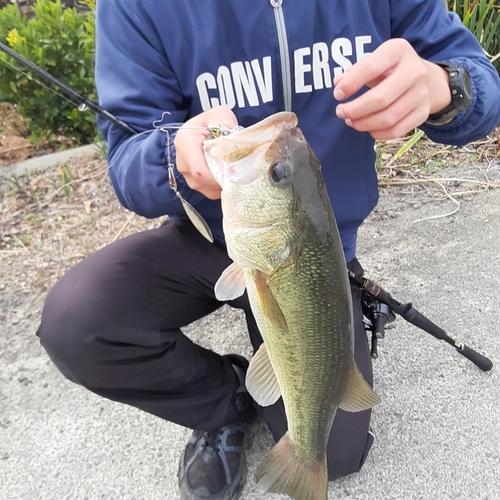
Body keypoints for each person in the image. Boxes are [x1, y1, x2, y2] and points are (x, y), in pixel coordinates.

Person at [36, 1, 500, 499]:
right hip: (207, 235)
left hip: (316, 256)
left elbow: (480, 86)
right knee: (77, 325)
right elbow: (127, 158)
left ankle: (310, 347)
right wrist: (173, 154)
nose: (278, 132)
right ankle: (223, 400)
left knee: (334, 451)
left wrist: (443, 87)